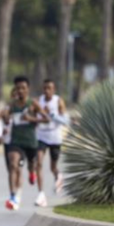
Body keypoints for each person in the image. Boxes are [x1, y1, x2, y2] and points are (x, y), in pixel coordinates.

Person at [1, 76, 49, 211]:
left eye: (23, 88)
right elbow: (5, 119)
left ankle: (32, 172)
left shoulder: (33, 104)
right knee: (13, 164)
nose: (20, 91)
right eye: (18, 88)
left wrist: (31, 118)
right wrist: (6, 118)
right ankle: (12, 196)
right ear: (15, 89)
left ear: (28, 89)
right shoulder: (12, 105)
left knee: (32, 166)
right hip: (16, 142)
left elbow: (47, 119)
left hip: (31, 142)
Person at [35, 79, 69, 207]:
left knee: (52, 167)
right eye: (44, 88)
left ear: (53, 90)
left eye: (49, 88)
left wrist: (52, 114)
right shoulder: (39, 101)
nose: (46, 91)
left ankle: (58, 175)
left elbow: (66, 121)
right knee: (38, 163)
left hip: (55, 138)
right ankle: (41, 194)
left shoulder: (58, 101)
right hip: (41, 136)